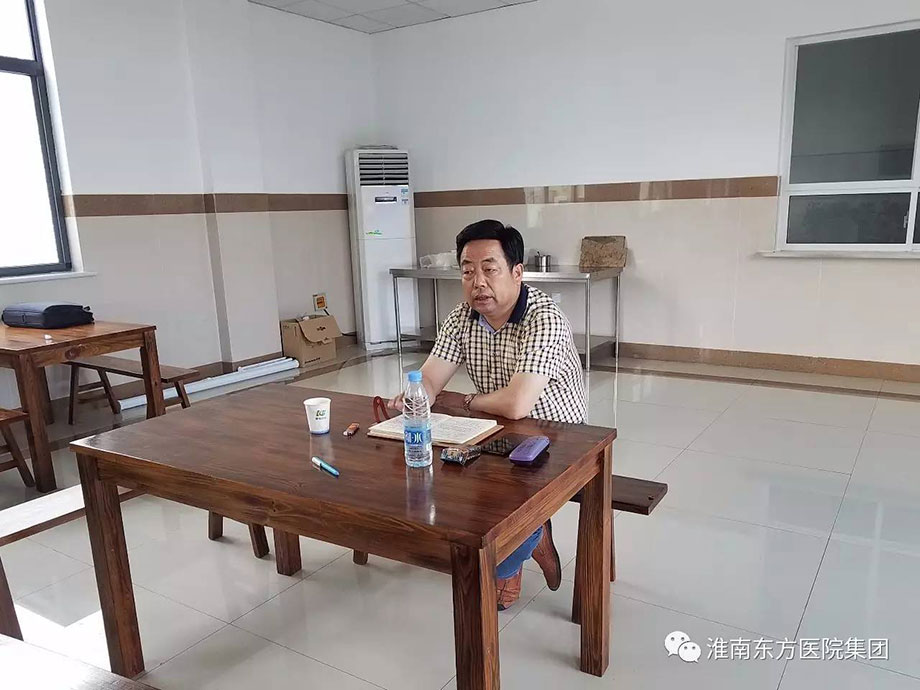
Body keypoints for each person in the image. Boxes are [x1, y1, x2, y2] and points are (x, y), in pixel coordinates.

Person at [389, 219, 587, 609]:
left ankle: (518, 552)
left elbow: (517, 405)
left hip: (561, 438)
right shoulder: (462, 317)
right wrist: (417, 396)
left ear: (517, 272)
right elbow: (430, 378)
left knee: (501, 496)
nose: (478, 282)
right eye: (467, 272)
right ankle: (526, 537)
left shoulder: (544, 319)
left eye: (489, 269)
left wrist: (465, 401)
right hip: (497, 432)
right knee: (443, 472)